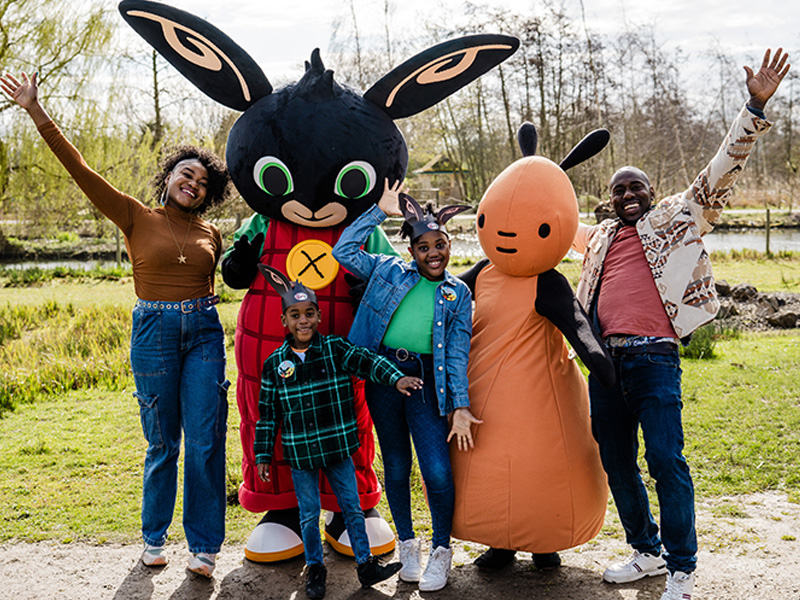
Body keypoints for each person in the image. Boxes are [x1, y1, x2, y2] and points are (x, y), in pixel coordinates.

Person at [571, 48, 789, 600]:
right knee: (616, 460)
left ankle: (682, 567)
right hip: (605, 364)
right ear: (609, 199)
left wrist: (753, 106)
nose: (627, 195)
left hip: (654, 358)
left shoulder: (677, 218)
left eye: (635, 187)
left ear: (650, 191)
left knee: (665, 458)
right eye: (618, 189)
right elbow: (542, 222)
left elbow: (721, 170)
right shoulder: (596, 242)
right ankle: (644, 552)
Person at [1, 72, 233, 577]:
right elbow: (79, 169)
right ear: (169, 176)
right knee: (162, 441)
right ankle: (153, 538)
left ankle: (204, 546)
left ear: (208, 194)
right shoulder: (134, 215)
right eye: (185, 174)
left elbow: (227, 272)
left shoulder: (212, 231)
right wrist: (35, 110)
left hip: (204, 334)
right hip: (153, 333)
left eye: (202, 182)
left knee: (206, 438)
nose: (192, 184)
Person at [332, 183, 481, 592]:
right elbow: (343, 252)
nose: (433, 253)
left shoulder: (457, 292)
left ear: (449, 246)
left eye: (441, 245)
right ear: (411, 249)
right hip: (383, 376)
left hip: (427, 381)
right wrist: (379, 211)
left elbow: (455, 353)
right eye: (423, 246)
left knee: (435, 468)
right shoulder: (386, 270)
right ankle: (408, 546)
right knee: (396, 464)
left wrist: (460, 405)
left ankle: (441, 550)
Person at [254, 265, 418, 599]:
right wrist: (262, 455)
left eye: (310, 314)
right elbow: (267, 414)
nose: (303, 321)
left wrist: (396, 377)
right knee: (309, 512)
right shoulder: (275, 364)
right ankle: (315, 569)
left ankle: (366, 565)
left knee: (352, 507)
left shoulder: (335, 349)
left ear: (318, 316)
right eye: (295, 315)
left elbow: (368, 361)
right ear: (284, 320)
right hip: (301, 453)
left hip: (337, 447)